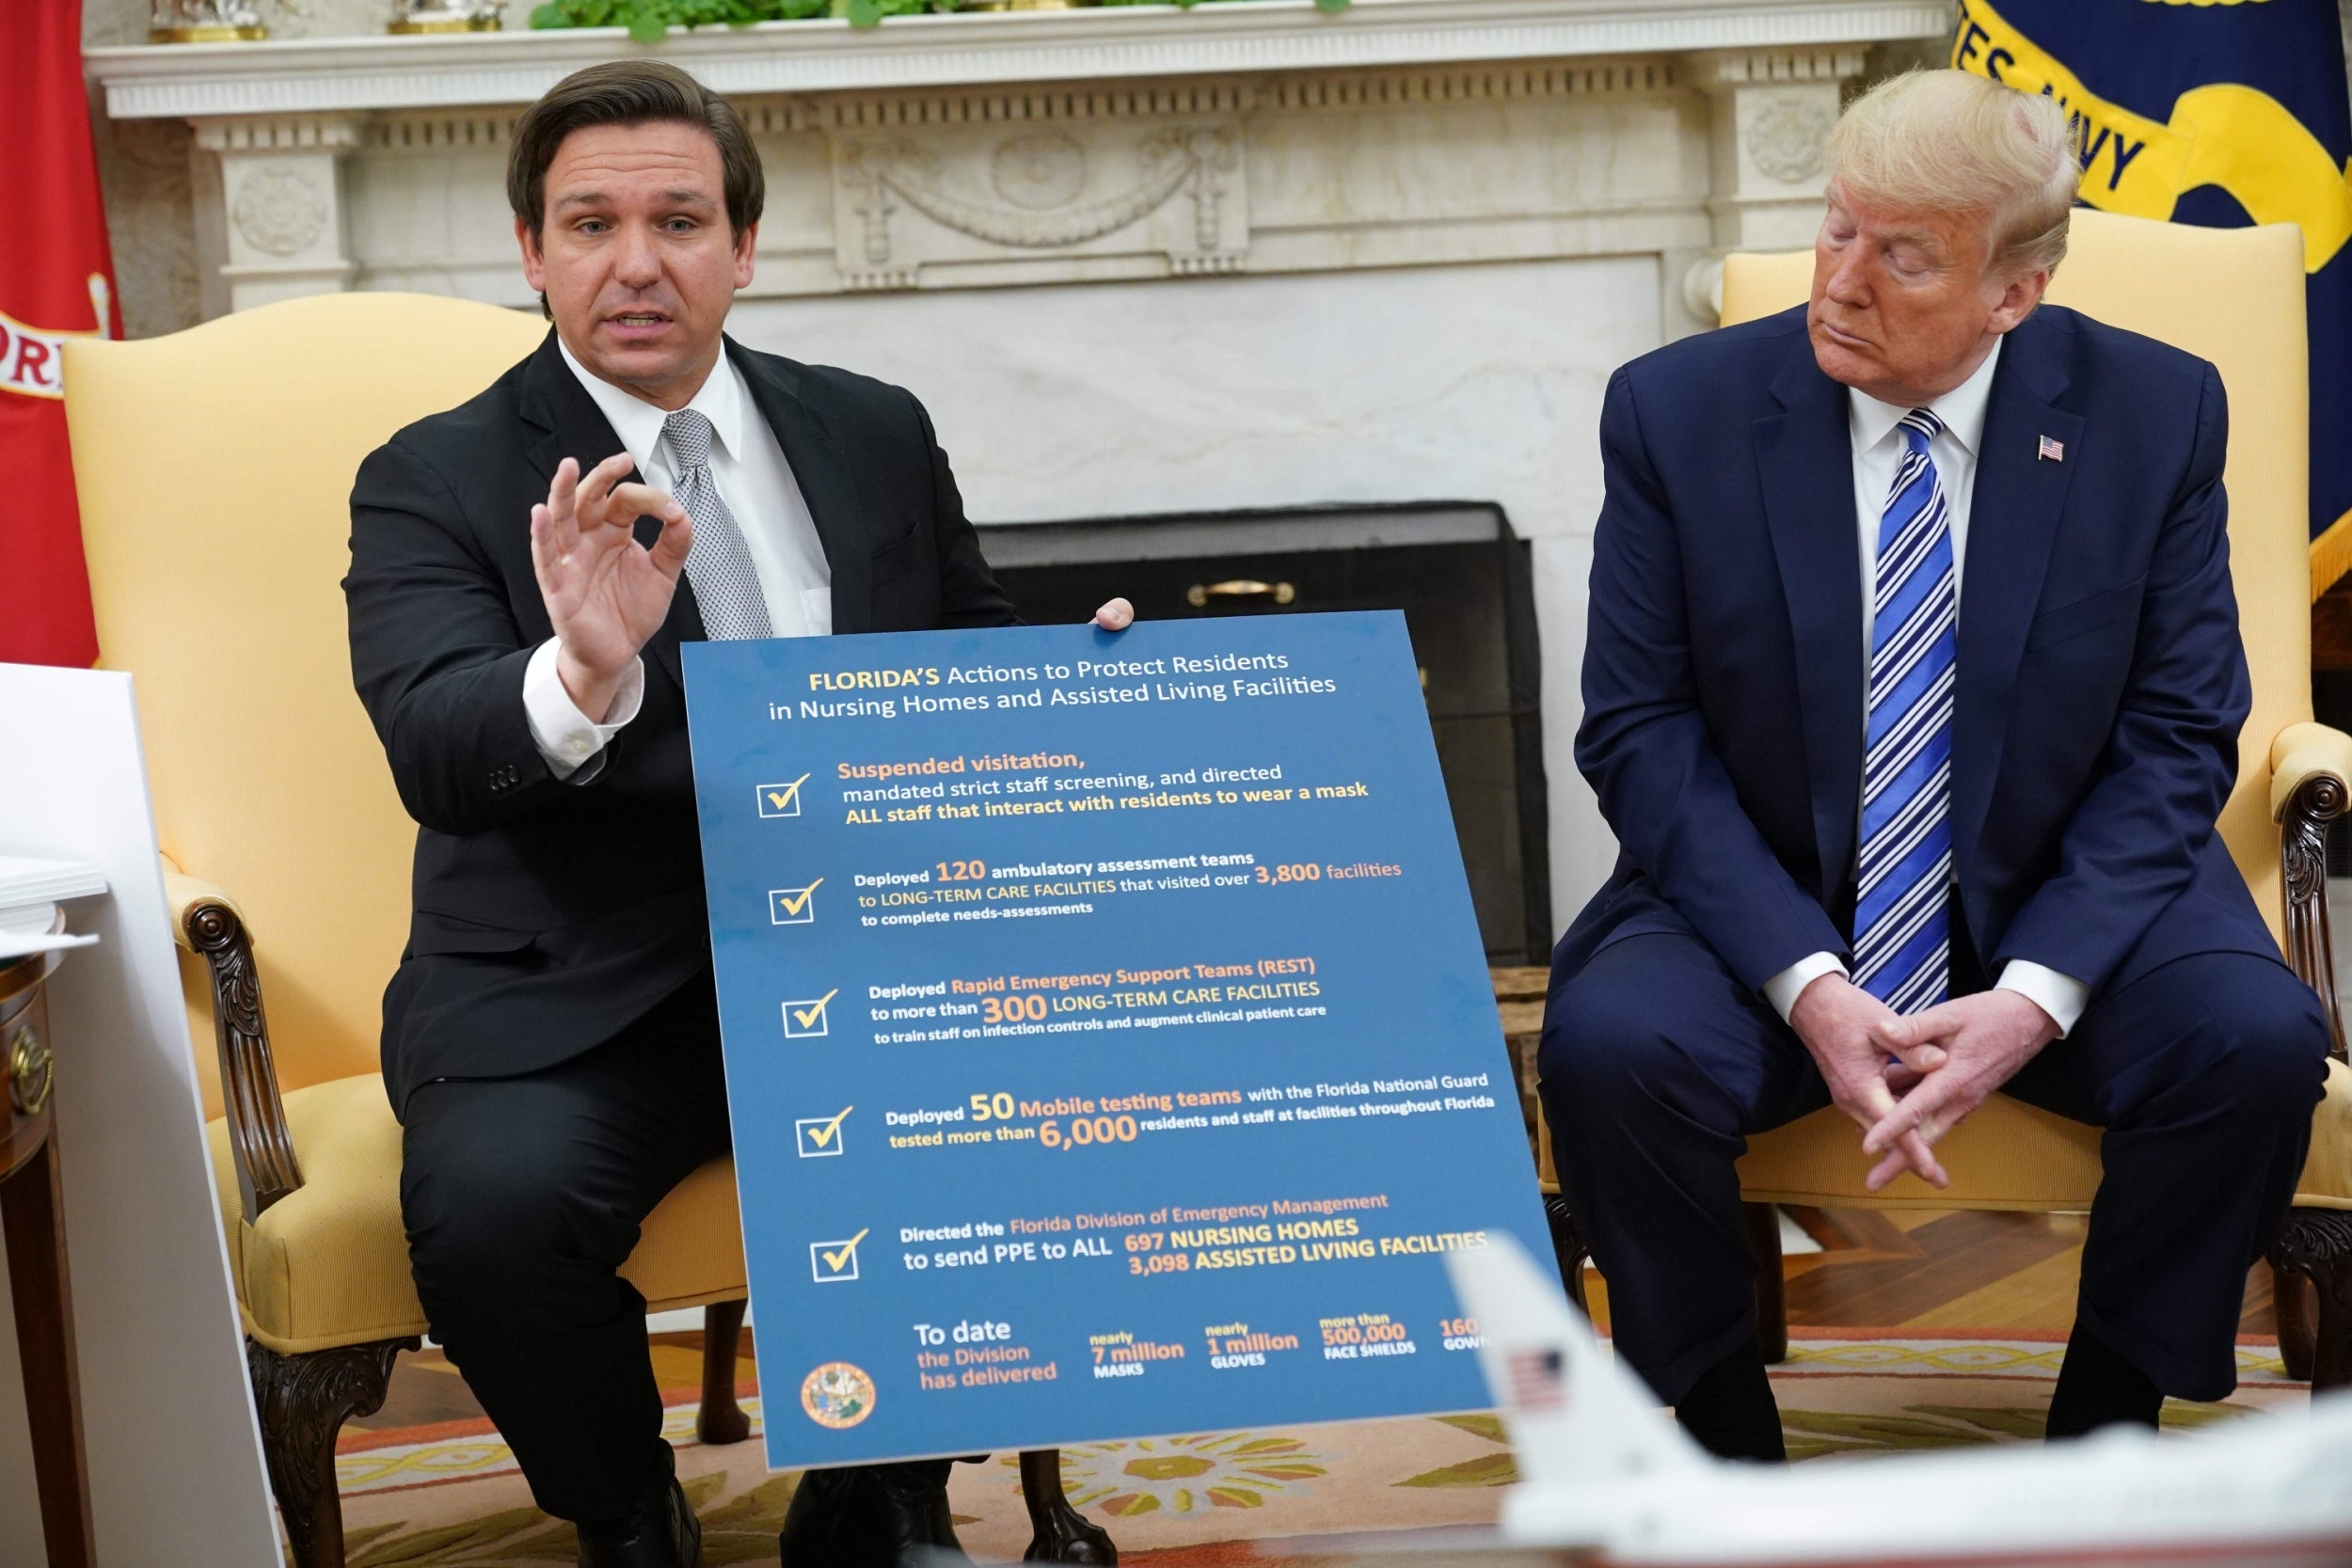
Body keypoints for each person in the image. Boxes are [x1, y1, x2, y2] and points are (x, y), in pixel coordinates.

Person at [343, 58, 1132, 1568]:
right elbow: (435, 746)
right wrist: (581, 670)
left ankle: (884, 1493)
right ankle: (629, 1514)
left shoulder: (872, 427)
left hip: (866, 962)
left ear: (743, 247)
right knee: (495, 1218)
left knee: (1028, 1111)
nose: (636, 262)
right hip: (579, 994)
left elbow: (954, 646)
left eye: (679, 219)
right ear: (532, 252)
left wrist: (1073, 676)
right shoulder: (434, 476)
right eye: (590, 224)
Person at [1538, 68, 2330, 1463]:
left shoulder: (2152, 415)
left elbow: (2180, 732)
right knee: (1612, 1051)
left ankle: (2108, 1425)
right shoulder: (1679, 410)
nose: (1840, 280)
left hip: (2066, 881)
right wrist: (1809, 979)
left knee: (2254, 1046)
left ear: (2012, 292)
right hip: (1770, 888)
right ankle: (1725, 1438)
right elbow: (1638, 727)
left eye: (1902, 256)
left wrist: (2035, 995)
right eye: (1839, 227)